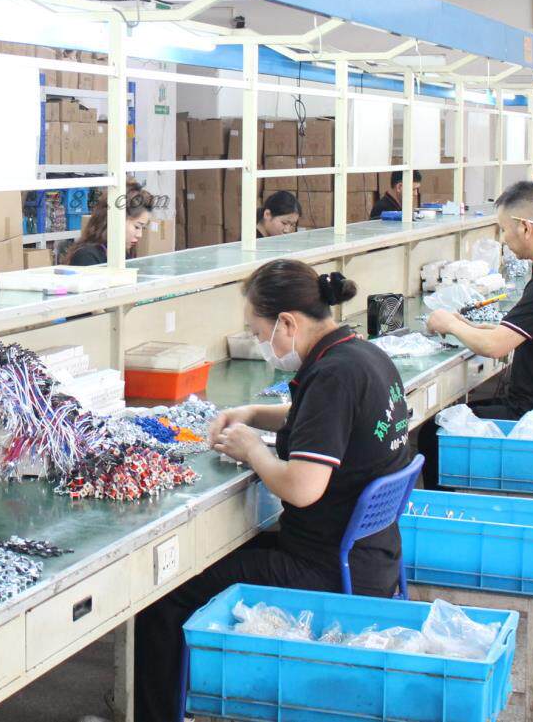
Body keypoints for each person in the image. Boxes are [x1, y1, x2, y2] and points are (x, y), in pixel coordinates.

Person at [133, 260, 410, 721]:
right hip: (371, 555)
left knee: (163, 597)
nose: (261, 343)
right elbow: (321, 420)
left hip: (323, 569)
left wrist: (252, 451)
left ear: (287, 323)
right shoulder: (361, 355)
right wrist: (252, 413)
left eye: (258, 332)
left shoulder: (333, 376)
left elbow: (302, 488)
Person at [417, 180, 533, 487]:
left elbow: (495, 347)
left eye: (503, 229)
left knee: (434, 433)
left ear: (525, 227)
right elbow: (531, 333)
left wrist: (449, 323)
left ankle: (452, 511)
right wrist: (474, 328)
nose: (503, 239)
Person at [64, 185, 153, 265]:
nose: (139, 235)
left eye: (143, 228)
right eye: (137, 227)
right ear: (116, 220)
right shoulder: (86, 257)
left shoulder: (122, 254)